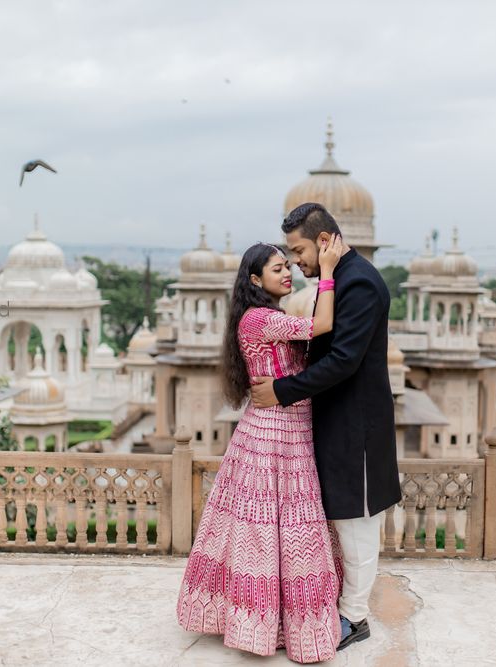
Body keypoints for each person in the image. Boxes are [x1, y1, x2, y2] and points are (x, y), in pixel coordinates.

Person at [176, 237, 345, 663]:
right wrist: (326, 273)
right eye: (276, 268)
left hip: (288, 429)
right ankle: (259, 622)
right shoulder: (258, 319)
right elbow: (320, 326)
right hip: (272, 435)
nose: (287, 272)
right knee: (267, 529)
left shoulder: (268, 315)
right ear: (255, 279)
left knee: (285, 527)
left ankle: (278, 622)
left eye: (288, 265)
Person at [251, 202, 401, 651]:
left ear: (322, 241)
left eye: (298, 251)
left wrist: (281, 390)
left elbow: (343, 360)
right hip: (339, 419)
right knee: (341, 518)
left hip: (357, 424)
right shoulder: (340, 279)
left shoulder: (360, 283)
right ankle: (341, 608)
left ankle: (355, 617)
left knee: (357, 523)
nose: (295, 262)